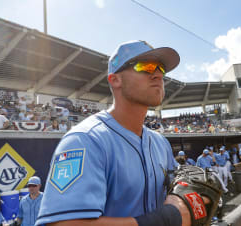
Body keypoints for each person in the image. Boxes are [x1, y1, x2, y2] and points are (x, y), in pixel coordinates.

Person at [36, 40, 194, 226]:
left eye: (160, 68)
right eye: (146, 66)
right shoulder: (85, 140)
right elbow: (63, 224)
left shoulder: (160, 142)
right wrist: (163, 220)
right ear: (115, 79)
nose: (158, 74)